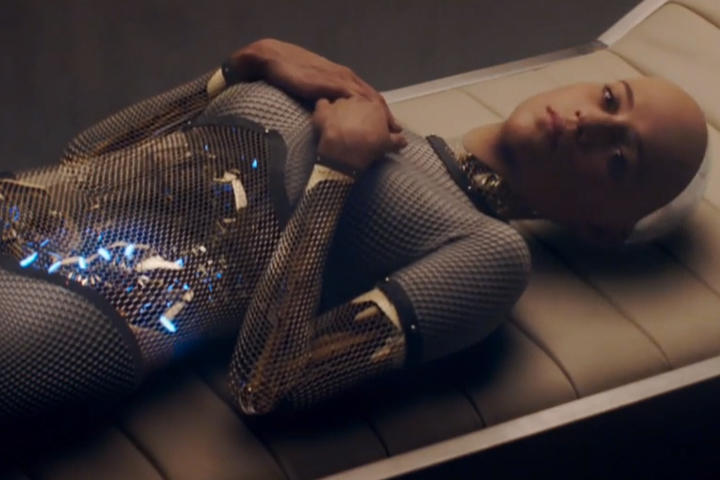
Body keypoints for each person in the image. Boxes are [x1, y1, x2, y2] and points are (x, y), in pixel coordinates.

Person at [0, 38, 707, 420]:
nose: (590, 123)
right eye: (609, 98)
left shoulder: (489, 255)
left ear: (602, 227)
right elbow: (80, 160)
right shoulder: (359, 107)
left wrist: (336, 172)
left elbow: (266, 383)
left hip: (78, 313)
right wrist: (234, 70)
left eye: (621, 158)